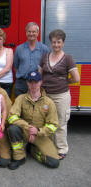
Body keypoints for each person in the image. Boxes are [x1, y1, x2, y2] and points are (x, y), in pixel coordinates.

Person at [39, 29, 80, 160]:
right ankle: (50, 146)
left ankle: (61, 149)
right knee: (48, 121)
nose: (56, 45)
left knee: (61, 122)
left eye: (59, 42)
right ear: (51, 43)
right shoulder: (45, 57)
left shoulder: (67, 58)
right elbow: (40, 75)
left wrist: (63, 81)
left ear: (63, 43)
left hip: (61, 95)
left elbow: (76, 78)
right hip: (46, 95)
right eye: (54, 42)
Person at [7, 71, 59, 170]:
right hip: (24, 132)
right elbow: (12, 117)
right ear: (27, 83)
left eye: (36, 82)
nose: (33, 85)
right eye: (31, 82)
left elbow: (53, 125)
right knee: (13, 129)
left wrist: (38, 131)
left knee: (54, 162)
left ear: (41, 82)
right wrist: (28, 128)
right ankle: (19, 157)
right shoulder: (21, 98)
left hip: (40, 135)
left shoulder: (49, 102)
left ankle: (32, 150)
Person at [14, 22, 50, 97]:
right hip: (21, 84)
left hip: (37, 83)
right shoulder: (19, 49)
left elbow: (47, 67)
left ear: (37, 33)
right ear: (26, 33)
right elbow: (15, 67)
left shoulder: (44, 49)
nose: (31, 34)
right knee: (20, 107)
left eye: (34, 32)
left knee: (36, 108)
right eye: (29, 31)